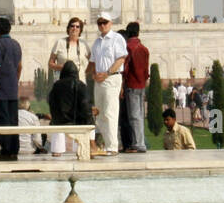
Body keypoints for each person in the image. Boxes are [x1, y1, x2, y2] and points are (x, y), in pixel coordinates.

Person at [87, 13, 127, 155]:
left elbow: (121, 59)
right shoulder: (97, 42)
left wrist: (107, 73)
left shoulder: (117, 39)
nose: (102, 25)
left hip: (111, 79)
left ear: (110, 23)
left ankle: (112, 147)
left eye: (105, 22)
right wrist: (93, 74)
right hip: (99, 81)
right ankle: (104, 144)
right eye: (100, 23)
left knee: (110, 112)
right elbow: (92, 63)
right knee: (99, 113)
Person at [0, 16, 22, 162]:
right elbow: (19, 67)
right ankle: (13, 151)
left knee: (1, 121)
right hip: (12, 90)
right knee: (13, 121)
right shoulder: (16, 44)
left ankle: (6, 151)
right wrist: (14, 81)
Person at [47, 60, 91, 157]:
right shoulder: (80, 85)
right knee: (90, 123)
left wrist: (55, 116)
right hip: (76, 119)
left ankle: (57, 150)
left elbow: (50, 101)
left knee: (57, 125)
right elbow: (85, 104)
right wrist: (89, 119)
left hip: (59, 119)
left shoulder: (57, 85)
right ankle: (83, 149)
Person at [122, 22, 149, 153]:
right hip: (141, 85)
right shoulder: (144, 48)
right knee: (139, 114)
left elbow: (125, 68)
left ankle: (138, 143)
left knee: (133, 115)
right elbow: (146, 71)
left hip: (131, 84)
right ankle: (140, 141)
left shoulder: (128, 48)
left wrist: (123, 82)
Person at [47, 17, 89, 83]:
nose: (74, 28)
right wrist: (63, 67)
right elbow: (50, 63)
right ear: (68, 28)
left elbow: (92, 61)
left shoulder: (83, 44)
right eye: (72, 26)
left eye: (77, 26)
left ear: (80, 30)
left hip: (79, 82)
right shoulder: (60, 42)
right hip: (63, 82)